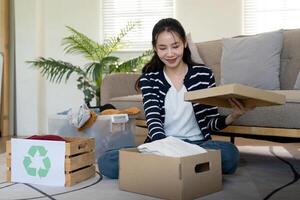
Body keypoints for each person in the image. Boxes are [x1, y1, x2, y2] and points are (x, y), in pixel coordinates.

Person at [98, 18, 253, 178]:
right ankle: (186, 167)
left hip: (197, 145)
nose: (170, 54)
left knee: (230, 154)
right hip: (161, 144)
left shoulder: (203, 75)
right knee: (106, 161)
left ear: (184, 43)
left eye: (175, 46)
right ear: (155, 49)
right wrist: (166, 149)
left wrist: (233, 116)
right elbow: (154, 122)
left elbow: (209, 123)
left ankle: (163, 169)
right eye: (163, 48)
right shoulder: (150, 79)